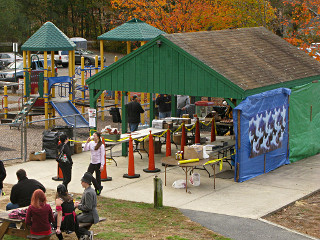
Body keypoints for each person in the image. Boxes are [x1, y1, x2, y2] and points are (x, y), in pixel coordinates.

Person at [74, 172, 98, 239]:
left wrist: (78, 206)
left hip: (90, 215)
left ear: (86, 182)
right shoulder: (90, 190)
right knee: (75, 218)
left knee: (73, 221)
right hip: (88, 214)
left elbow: (88, 207)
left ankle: (88, 233)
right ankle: (82, 237)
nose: (81, 183)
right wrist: (80, 203)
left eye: (82, 181)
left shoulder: (88, 193)